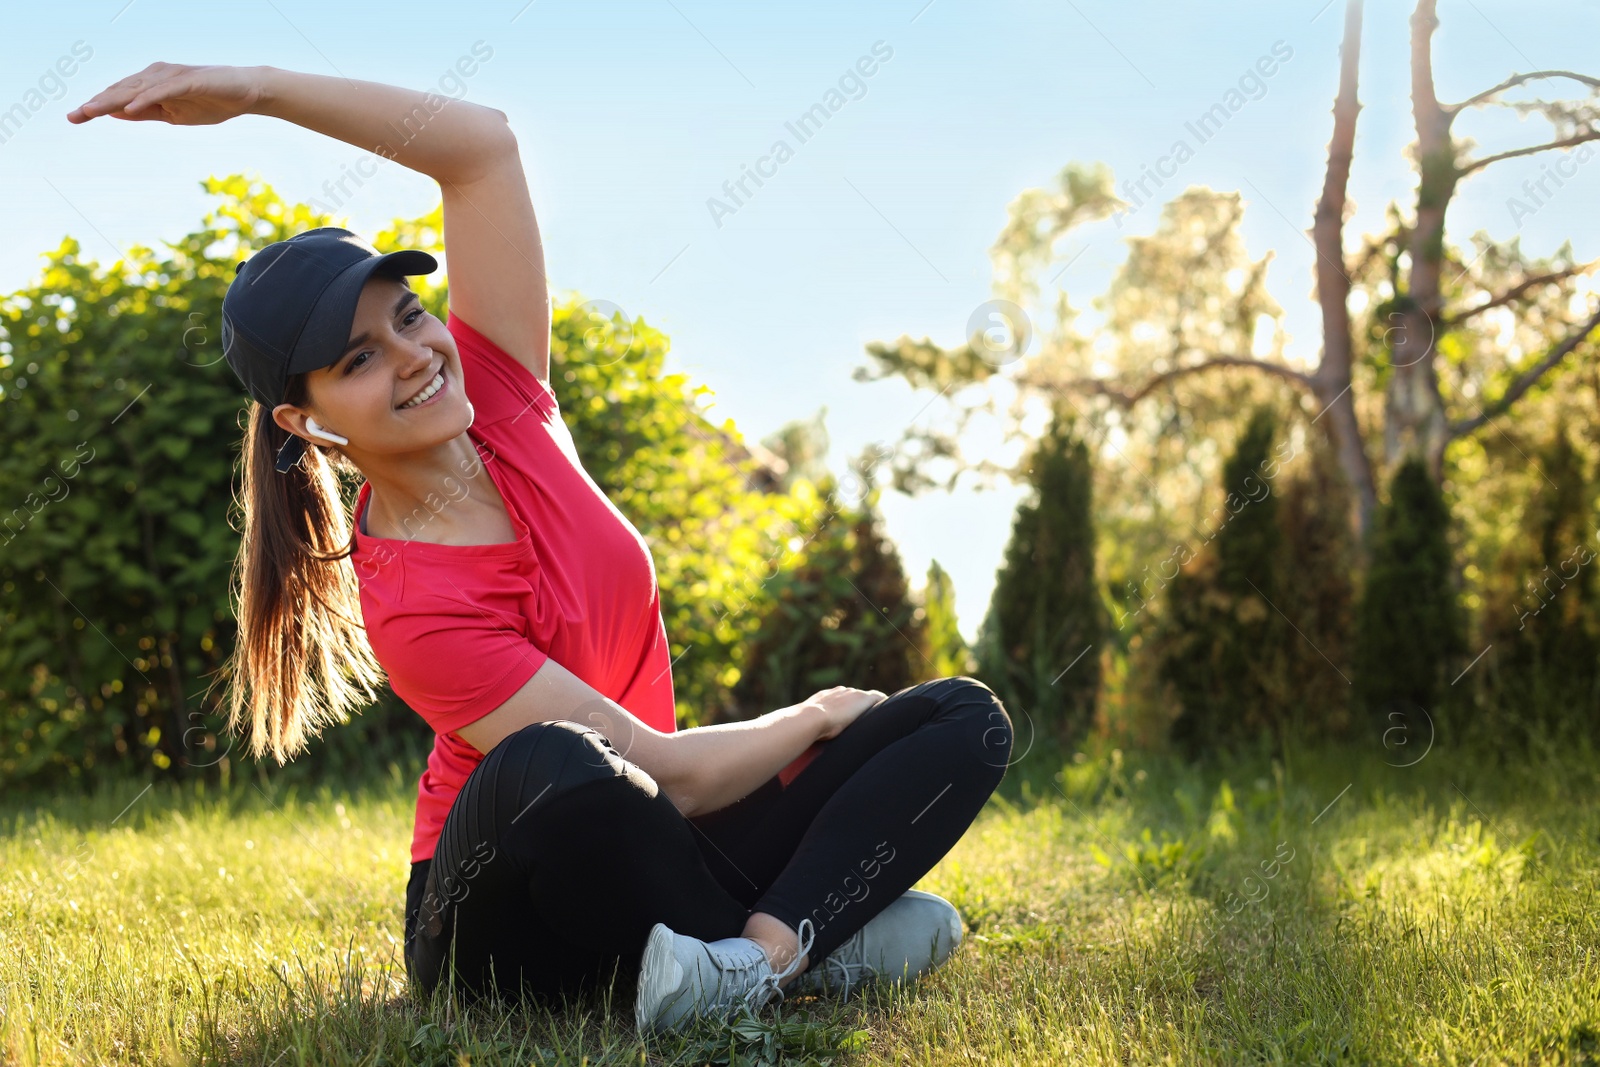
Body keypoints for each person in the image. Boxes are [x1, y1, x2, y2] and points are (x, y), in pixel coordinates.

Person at [68, 61, 1016, 1036]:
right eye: (358, 360)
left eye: (407, 314)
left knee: (958, 720)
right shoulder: (410, 602)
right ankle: (813, 928)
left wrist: (256, 92)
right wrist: (814, 714)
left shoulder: (503, 389)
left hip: (661, 834)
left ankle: (751, 957)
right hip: (500, 908)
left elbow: (478, 147)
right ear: (305, 422)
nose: (414, 355)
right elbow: (663, 768)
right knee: (560, 764)